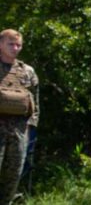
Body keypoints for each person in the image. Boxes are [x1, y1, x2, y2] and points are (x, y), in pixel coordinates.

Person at [0, 29, 39, 205]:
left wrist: (31, 130)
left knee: (13, 176)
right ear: (1, 44)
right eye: (11, 44)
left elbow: (35, 105)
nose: (15, 48)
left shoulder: (27, 72)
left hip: (19, 133)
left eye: (18, 45)